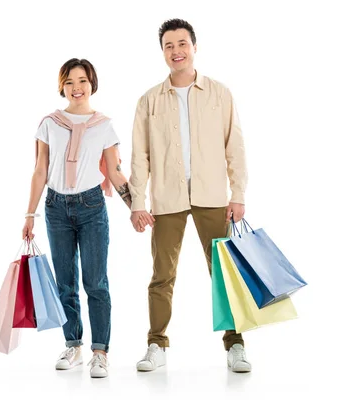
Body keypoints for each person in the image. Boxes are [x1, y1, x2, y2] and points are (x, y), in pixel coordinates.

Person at [128, 19, 251, 373]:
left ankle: (236, 344)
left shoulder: (219, 93)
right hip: (167, 199)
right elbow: (140, 155)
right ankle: (156, 344)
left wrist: (238, 193)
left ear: (195, 47)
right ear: (163, 52)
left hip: (213, 196)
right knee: (162, 275)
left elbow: (235, 146)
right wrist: (138, 202)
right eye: (169, 46)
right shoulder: (148, 100)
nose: (176, 51)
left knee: (224, 274)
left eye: (182, 44)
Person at [22, 58, 133, 378]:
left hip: (91, 207)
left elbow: (114, 171)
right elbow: (40, 169)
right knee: (65, 283)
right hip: (56, 208)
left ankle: (100, 351)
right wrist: (30, 213)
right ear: (62, 87)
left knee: (96, 282)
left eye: (82, 81)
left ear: (92, 84)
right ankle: (74, 345)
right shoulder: (49, 123)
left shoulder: (104, 125)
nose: (76, 88)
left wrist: (136, 207)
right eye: (69, 82)